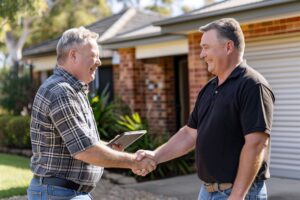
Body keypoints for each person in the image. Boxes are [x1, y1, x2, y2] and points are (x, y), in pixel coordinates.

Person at [135, 18, 275, 200]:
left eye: (206, 47)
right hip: (208, 191)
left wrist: (237, 196)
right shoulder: (209, 88)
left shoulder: (252, 86)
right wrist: (155, 156)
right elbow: (189, 134)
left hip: (238, 193)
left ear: (228, 47)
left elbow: (256, 145)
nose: (202, 54)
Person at [27, 27, 156, 200]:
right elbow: (85, 150)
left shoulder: (72, 89)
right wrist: (133, 161)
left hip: (64, 192)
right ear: (73, 55)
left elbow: (80, 141)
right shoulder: (61, 92)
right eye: (94, 56)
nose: (99, 62)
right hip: (59, 193)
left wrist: (107, 148)